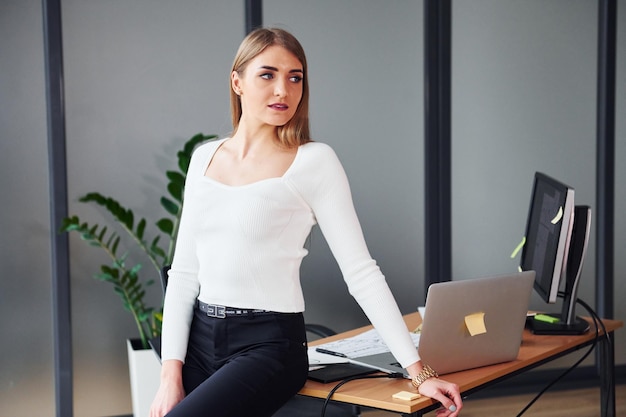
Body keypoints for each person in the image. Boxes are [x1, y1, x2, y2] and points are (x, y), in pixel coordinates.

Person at [149, 27, 463, 417]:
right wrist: (169, 374)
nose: (283, 90)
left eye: (294, 77)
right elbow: (183, 274)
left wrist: (418, 372)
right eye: (268, 75)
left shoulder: (314, 162)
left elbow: (361, 272)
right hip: (198, 342)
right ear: (237, 82)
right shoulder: (204, 157)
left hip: (268, 347)